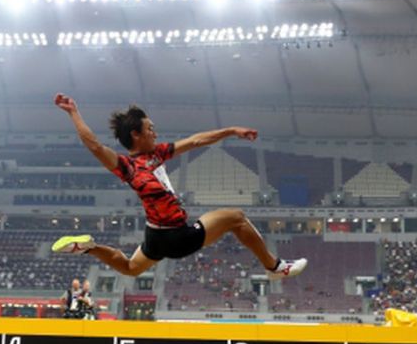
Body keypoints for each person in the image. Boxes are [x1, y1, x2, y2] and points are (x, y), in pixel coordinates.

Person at [50, 93, 307, 280]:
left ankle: (88, 248)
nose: (156, 133)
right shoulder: (127, 167)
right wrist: (74, 113)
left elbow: (195, 141)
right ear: (136, 135)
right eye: (150, 129)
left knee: (130, 268)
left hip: (155, 235)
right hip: (175, 236)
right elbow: (95, 146)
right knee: (236, 218)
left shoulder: (156, 154)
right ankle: (275, 268)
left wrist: (230, 131)